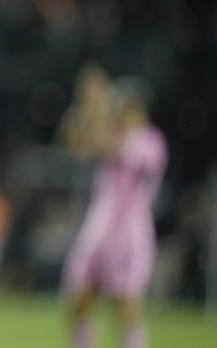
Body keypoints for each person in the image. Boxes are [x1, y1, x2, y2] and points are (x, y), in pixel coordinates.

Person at [60, 77, 168, 348]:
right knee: (79, 300)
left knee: (126, 305)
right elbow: (74, 143)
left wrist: (95, 105)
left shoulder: (150, 141)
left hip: (129, 233)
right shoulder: (114, 132)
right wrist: (86, 108)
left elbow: (113, 150)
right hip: (98, 228)